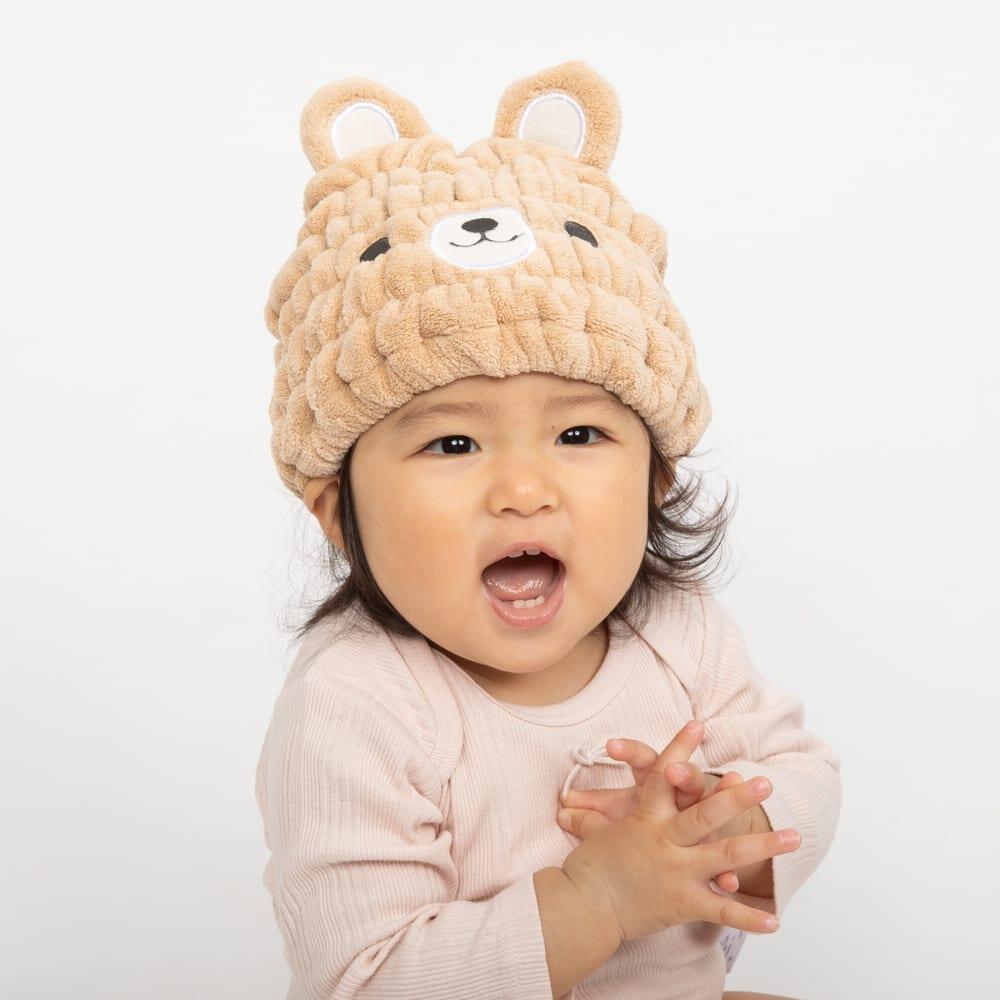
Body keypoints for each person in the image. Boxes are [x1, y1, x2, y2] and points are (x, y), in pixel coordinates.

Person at [255, 59, 841, 1000]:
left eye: (578, 435)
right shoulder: (358, 704)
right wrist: (597, 899)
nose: (524, 490)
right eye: (452, 443)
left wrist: (731, 830)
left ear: (656, 477)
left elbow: (798, 770)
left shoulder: (677, 630)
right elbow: (362, 980)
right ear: (336, 509)